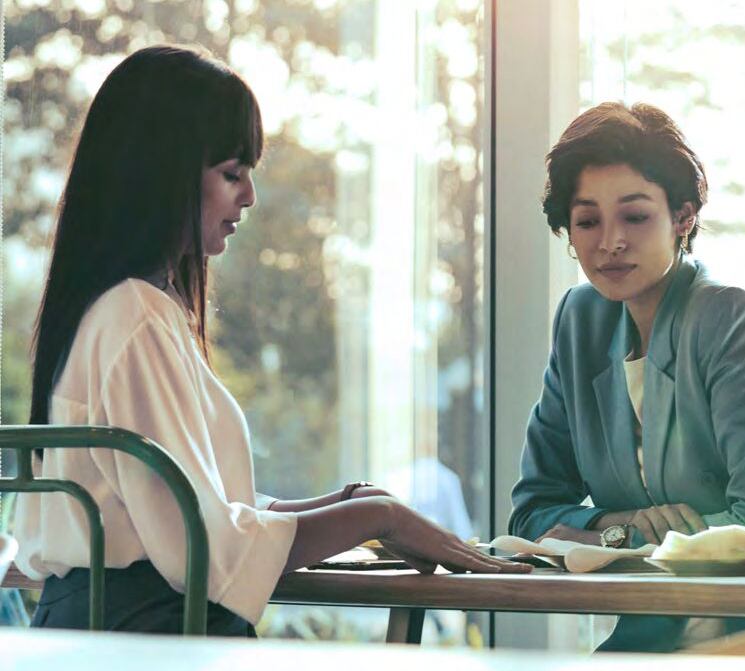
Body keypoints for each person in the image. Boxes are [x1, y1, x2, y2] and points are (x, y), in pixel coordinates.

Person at [13, 44, 527, 637]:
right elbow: (205, 550)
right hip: (144, 636)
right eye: (233, 173)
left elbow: (198, 513)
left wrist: (349, 504)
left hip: (106, 626)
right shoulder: (135, 317)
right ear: (162, 173)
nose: (250, 196)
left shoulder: (119, 310)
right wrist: (377, 517)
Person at [509, 102, 745, 652]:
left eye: (634, 217)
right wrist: (628, 525)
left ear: (682, 218)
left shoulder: (728, 317)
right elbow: (533, 513)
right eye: (587, 221)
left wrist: (600, 535)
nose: (609, 241)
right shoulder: (580, 320)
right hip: (652, 626)